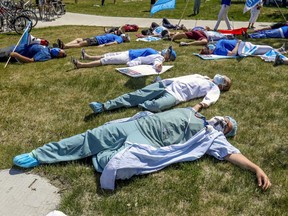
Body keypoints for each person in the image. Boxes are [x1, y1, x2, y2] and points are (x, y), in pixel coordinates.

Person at [13, 107, 271, 191]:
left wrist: (256, 167)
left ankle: (100, 157)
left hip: (148, 143)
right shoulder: (194, 111)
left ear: (226, 133)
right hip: (137, 126)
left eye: (227, 127)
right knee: (90, 136)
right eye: (225, 119)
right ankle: (39, 155)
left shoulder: (212, 137)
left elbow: (231, 154)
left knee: (117, 165)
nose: (223, 123)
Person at [88, 74, 231, 114]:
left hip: (177, 95)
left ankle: (142, 104)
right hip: (166, 85)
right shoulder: (202, 76)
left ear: (222, 86)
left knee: (157, 106)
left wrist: (202, 104)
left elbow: (211, 98)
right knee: (136, 94)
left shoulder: (215, 88)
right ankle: (104, 106)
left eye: (223, 79)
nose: (221, 76)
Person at [71, 46, 176, 71]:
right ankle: (87, 57)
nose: (166, 50)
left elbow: (157, 63)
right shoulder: (158, 53)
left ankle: (81, 65)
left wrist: (158, 66)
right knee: (108, 55)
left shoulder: (160, 58)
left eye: (168, 52)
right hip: (128, 52)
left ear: (167, 57)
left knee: (106, 61)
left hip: (128, 57)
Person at [200, 39, 286, 56]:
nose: (208, 47)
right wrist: (238, 43)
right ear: (210, 53)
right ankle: (278, 51)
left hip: (243, 44)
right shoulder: (218, 50)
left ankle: (278, 50)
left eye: (206, 47)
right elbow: (232, 54)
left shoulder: (217, 45)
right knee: (262, 49)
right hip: (242, 48)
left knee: (262, 48)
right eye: (207, 49)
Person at [0, 43, 66, 63]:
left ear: (58, 56)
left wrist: (16, 55)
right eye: (59, 50)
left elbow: (31, 60)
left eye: (59, 53)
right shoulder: (49, 48)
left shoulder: (45, 55)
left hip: (12, 53)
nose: (58, 50)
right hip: (15, 47)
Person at [56, 33, 130, 49]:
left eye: (126, 37)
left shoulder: (120, 39)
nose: (124, 35)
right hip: (96, 38)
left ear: (125, 39)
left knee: (81, 43)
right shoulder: (118, 36)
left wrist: (104, 45)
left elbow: (114, 43)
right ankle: (64, 45)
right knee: (78, 39)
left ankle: (64, 46)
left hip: (98, 41)